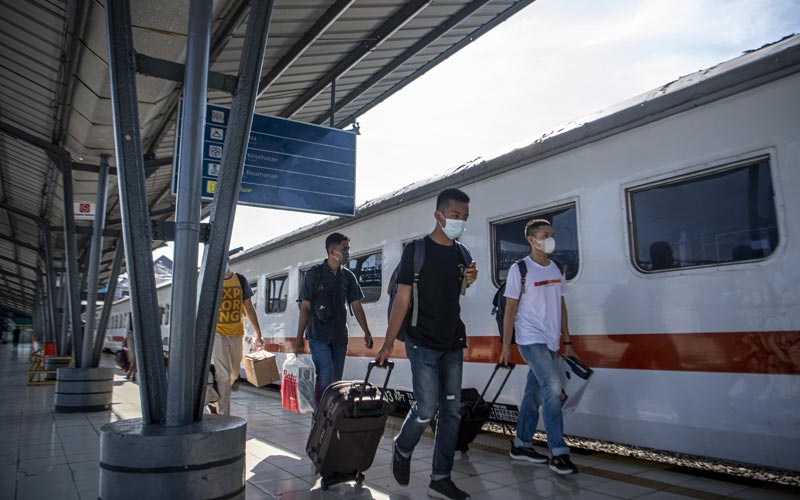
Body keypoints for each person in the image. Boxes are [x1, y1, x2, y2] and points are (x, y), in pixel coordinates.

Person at [376, 188, 478, 500]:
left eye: (465, 217)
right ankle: (403, 446)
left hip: (452, 341)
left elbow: (457, 291)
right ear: (438, 215)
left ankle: (441, 479)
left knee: (451, 412)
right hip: (421, 342)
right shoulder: (416, 251)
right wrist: (388, 343)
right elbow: (402, 299)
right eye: (455, 215)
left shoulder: (462, 253)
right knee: (426, 407)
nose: (461, 221)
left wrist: (469, 279)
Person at [500, 218, 580, 475]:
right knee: (553, 386)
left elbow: (562, 306)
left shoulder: (555, 268)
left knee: (533, 394)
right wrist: (506, 345)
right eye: (546, 235)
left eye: (552, 234)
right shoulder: (520, 269)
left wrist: (567, 341)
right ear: (531, 240)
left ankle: (521, 444)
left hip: (551, 340)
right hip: (529, 338)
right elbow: (510, 309)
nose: (551, 239)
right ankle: (558, 451)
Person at [293, 233, 374, 406]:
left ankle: (331, 415)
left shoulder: (348, 277)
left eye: (348, 249)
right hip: (318, 335)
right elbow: (305, 307)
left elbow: (356, 305)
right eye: (344, 249)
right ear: (331, 251)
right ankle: (319, 416)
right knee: (326, 375)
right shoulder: (314, 274)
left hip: (339, 336)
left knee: (336, 381)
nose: (347, 253)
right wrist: (299, 337)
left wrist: (367, 331)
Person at [211, 256, 263, 416]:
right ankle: (223, 415)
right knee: (224, 374)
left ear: (228, 261)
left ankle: (216, 397)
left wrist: (258, 333)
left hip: (237, 333)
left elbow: (249, 308)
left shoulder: (240, 280)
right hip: (217, 332)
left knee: (234, 373)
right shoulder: (212, 282)